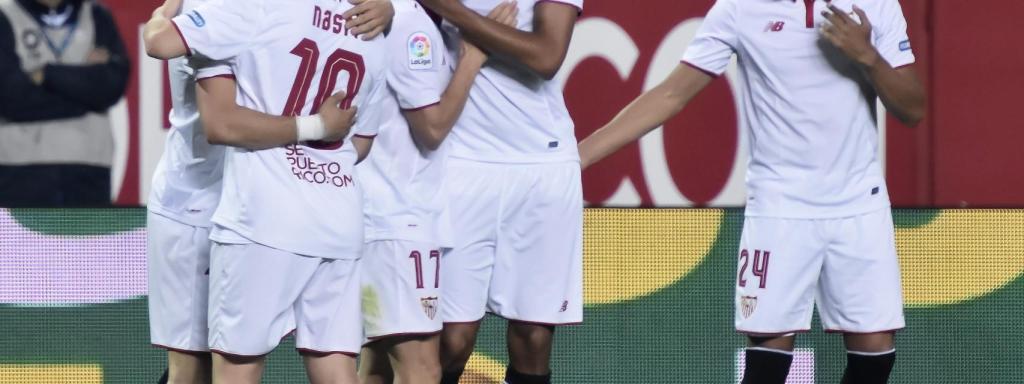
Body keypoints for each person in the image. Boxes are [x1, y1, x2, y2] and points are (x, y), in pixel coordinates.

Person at [577, 1, 926, 383]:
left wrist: (868, 56)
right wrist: (576, 157)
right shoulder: (739, 8)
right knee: (766, 369)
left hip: (860, 202)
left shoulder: (877, 4)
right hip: (780, 207)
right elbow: (671, 95)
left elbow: (912, 108)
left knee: (874, 362)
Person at [142, 0, 393, 382]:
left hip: (255, 211)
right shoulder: (368, 30)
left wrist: (164, 11)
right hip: (316, 209)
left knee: (228, 365)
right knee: (332, 362)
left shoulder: (250, 9)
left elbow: (162, 47)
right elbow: (357, 144)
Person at [412, 0, 584, 383]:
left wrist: (454, 13)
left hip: (543, 166)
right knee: (451, 340)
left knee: (533, 337)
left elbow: (546, 54)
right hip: (459, 162)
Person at [355, 1, 517, 384]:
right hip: (398, 218)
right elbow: (432, 127)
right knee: (422, 367)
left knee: (378, 362)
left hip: (378, 213)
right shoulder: (412, 27)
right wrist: (474, 57)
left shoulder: (406, 19)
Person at [0, 0, 128, 207]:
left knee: (85, 240)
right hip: (19, 170)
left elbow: (111, 86)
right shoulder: (5, 16)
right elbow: (12, 98)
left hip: (89, 169)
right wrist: (86, 92)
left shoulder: (97, 16)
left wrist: (46, 73)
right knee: (21, 241)